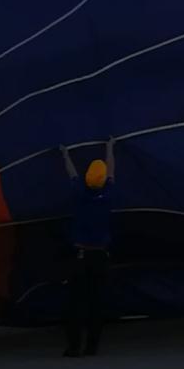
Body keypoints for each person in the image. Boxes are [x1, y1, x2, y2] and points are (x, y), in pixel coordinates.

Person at [60, 138, 115, 357]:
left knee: (75, 303)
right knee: (96, 303)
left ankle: (74, 346)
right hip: (100, 256)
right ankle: (92, 346)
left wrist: (65, 154)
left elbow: (71, 172)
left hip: (80, 256)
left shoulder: (79, 194)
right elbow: (112, 170)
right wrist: (110, 148)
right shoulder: (108, 195)